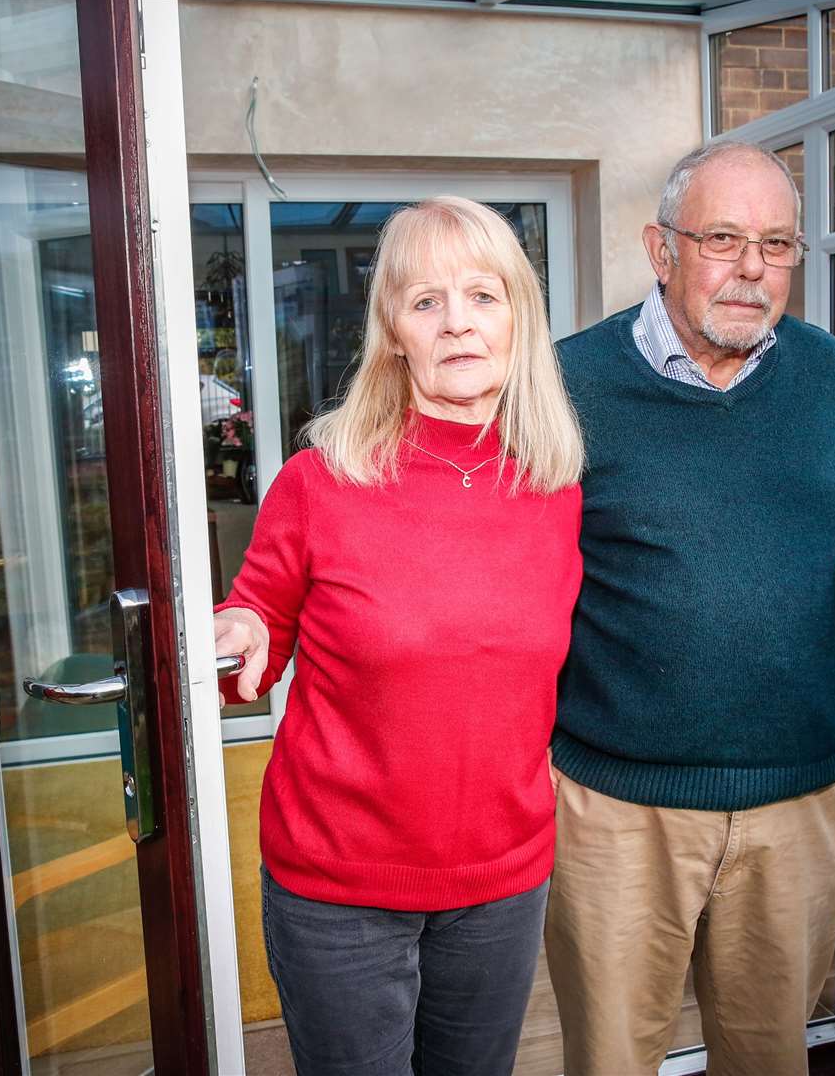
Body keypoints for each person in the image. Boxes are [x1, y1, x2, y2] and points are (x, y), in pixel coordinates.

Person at [544, 140, 835, 1076]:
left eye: (777, 244)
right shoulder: (565, 382)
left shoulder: (830, 372)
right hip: (620, 808)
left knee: (768, 1057)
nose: (752, 268)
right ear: (659, 250)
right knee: (611, 1059)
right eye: (723, 238)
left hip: (799, 799)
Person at [213, 196, 584, 1076]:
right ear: (393, 331)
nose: (457, 321)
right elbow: (255, 630)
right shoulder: (321, 479)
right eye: (425, 301)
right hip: (340, 886)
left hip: (502, 879)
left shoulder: (555, 485)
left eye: (482, 295)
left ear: (518, 319)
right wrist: (237, 633)